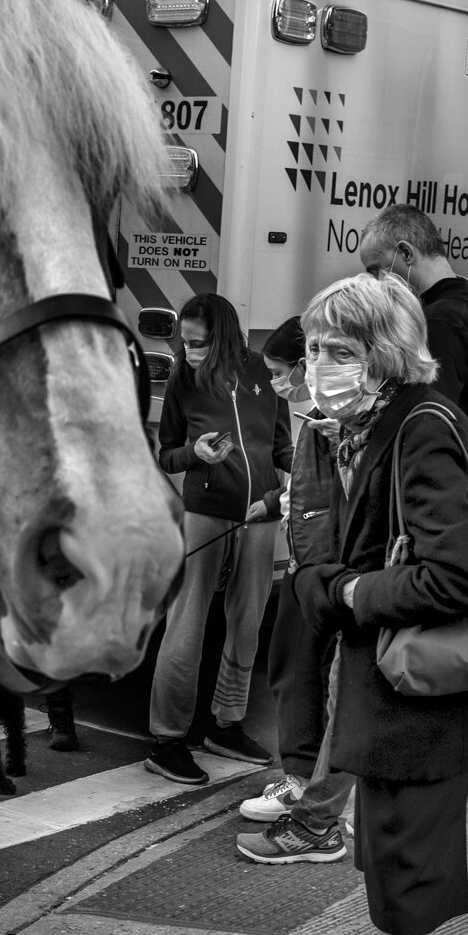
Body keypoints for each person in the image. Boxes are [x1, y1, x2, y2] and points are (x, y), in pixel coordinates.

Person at [248, 274, 468, 935]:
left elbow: (458, 573)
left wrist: (351, 594)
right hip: (401, 697)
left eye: (339, 351)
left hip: (414, 701)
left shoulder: (420, 431)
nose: (320, 366)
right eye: (315, 349)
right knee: (400, 870)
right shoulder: (377, 426)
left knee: (402, 877)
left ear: (384, 355)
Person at [145, 292, 287, 785]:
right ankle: (166, 739)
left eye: (197, 342)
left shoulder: (263, 373)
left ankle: (226, 725)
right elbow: (165, 454)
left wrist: (293, 482)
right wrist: (194, 454)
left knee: (247, 623)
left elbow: (282, 444)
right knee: (185, 625)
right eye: (183, 342)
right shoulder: (184, 378)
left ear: (223, 336)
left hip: (260, 515)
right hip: (205, 513)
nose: (188, 351)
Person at [239, 317, 357, 855]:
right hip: (312, 558)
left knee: (318, 677)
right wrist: (277, 504)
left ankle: (315, 807)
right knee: (296, 667)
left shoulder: (346, 416)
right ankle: (304, 784)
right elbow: (307, 488)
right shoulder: (321, 417)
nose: (283, 383)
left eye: (285, 371)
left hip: (327, 565)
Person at [358, 205, 468, 430]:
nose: (378, 282)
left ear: (406, 253)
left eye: (377, 271)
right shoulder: (461, 310)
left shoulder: (440, 320)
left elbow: (429, 416)